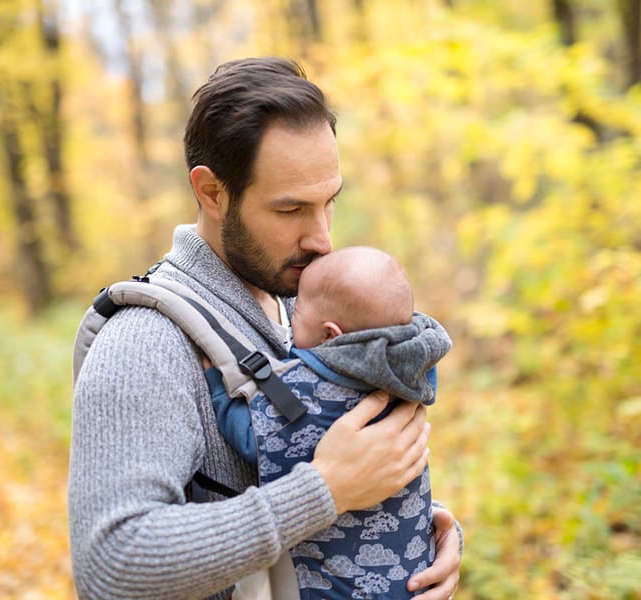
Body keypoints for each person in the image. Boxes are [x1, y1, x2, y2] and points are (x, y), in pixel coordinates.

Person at [68, 57, 462, 600]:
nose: (322, 239)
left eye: (329, 202)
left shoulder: (304, 306)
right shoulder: (145, 342)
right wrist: (324, 492)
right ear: (211, 192)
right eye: (291, 209)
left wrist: (423, 535)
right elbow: (112, 564)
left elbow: (329, 468)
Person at [206, 245, 452, 598]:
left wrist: (218, 387)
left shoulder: (311, 393)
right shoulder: (407, 374)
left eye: (297, 310)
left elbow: (254, 440)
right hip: (414, 569)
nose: (290, 318)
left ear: (330, 336)